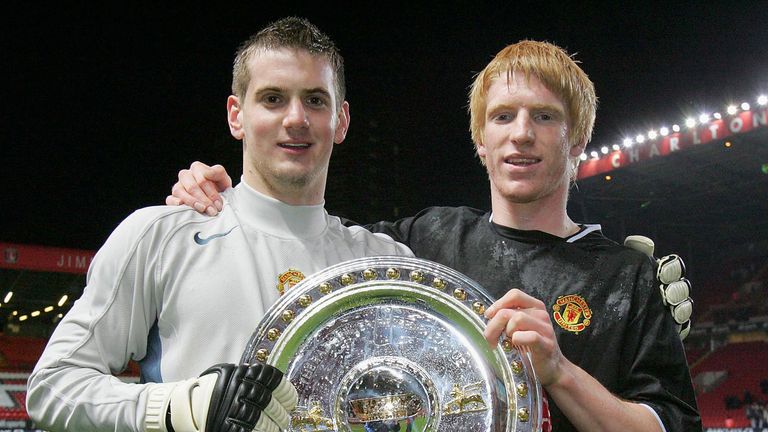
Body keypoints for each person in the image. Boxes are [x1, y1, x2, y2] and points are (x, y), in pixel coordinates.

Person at [168, 40, 701, 431]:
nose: (521, 133)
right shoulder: (423, 241)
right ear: (480, 140)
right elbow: (305, 241)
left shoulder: (626, 279)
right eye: (502, 117)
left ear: (578, 136)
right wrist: (222, 197)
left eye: (544, 116)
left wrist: (561, 372)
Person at [26, 17, 413, 432]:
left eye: (316, 100)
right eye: (273, 99)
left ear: (341, 120)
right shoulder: (161, 236)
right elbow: (52, 386)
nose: (296, 118)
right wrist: (178, 407)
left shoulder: (385, 263)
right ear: (236, 115)